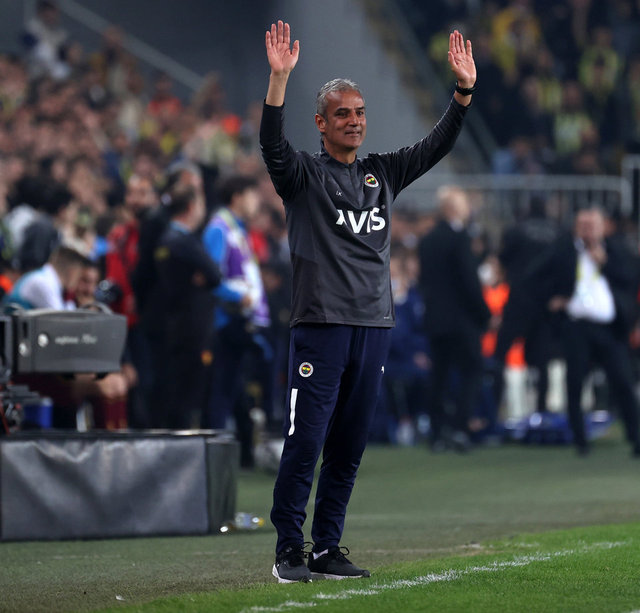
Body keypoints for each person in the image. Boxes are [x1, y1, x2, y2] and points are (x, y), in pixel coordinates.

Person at [260, 20, 475, 583]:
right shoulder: (302, 176)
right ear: (321, 123)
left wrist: (462, 93)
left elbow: (435, 146)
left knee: (349, 446)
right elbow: (271, 146)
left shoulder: (382, 173)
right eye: (342, 114)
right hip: (321, 326)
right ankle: (289, 550)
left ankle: (327, 548)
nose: (354, 121)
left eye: (359, 112)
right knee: (305, 441)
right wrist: (279, 81)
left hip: (374, 326)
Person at [529, 206, 640, 456]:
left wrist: (605, 263)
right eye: (584, 225)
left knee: (623, 381)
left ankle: (635, 436)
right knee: (575, 383)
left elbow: (630, 278)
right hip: (577, 327)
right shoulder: (563, 250)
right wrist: (551, 300)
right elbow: (533, 276)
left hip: (609, 328)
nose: (588, 231)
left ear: (603, 227)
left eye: (593, 225)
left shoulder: (615, 250)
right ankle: (580, 440)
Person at [201, 174, 270, 467]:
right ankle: (214, 456)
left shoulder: (236, 228)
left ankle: (243, 453)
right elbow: (210, 276)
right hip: (225, 322)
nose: (257, 202)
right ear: (237, 196)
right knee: (222, 390)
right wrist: (237, 297)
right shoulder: (219, 229)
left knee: (233, 387)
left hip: (239, 320)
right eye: (252, 195)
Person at [417, 186, 491, 452]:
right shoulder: (459, 238)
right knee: (472, 370)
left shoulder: (427, 240)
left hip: (436, 320)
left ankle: (437, 434)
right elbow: (469, 282)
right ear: (453, 209)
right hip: (462, 320)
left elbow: (425, 281)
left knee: (439, 375)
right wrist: (484, 314)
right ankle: (460, 428)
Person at [154, 181, 221, 429]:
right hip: (190, 328)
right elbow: (214, 274)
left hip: (179, 324)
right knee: (187, 392)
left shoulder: (170, 239)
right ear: (192, 206)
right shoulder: (182, 241)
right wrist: (202, 277)